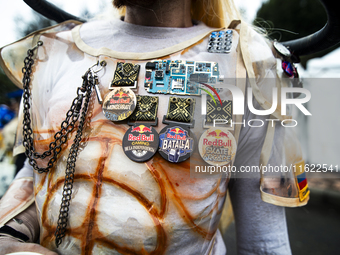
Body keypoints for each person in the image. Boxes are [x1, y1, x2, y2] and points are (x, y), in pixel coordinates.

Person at [0, 0, 309, 254]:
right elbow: (37, 169)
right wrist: (10, 237)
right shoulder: (57, 51)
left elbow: (264, 243)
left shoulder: (248, 65)